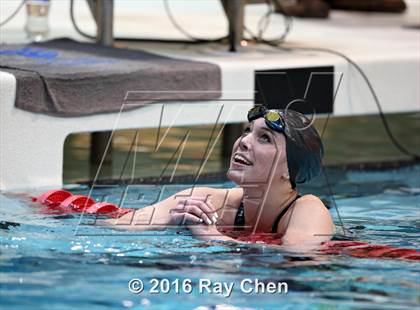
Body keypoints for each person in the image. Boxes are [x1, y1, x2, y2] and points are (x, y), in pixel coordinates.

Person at [109, 106, 335, 250]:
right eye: (247, 131)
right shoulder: (207, 201)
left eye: (265, 138)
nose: (244, 141)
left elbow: (298, 259)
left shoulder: (308, 209)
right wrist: (173, 218)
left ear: (289, 169)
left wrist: (210, 235)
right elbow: (116, 226)